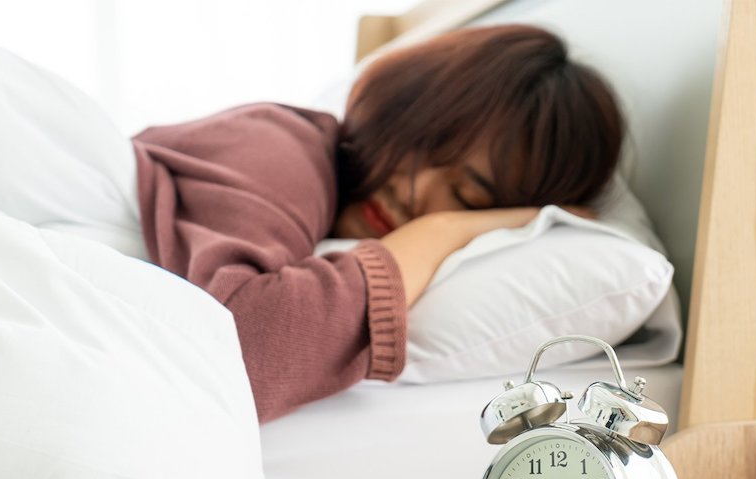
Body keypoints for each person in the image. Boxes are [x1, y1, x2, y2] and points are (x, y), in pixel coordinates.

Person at [131, 24, 624, 423]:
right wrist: (440, 230)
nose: (411, 191)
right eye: (425, 144)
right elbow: (240, 354)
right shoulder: (282, 147)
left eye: (463, 196)